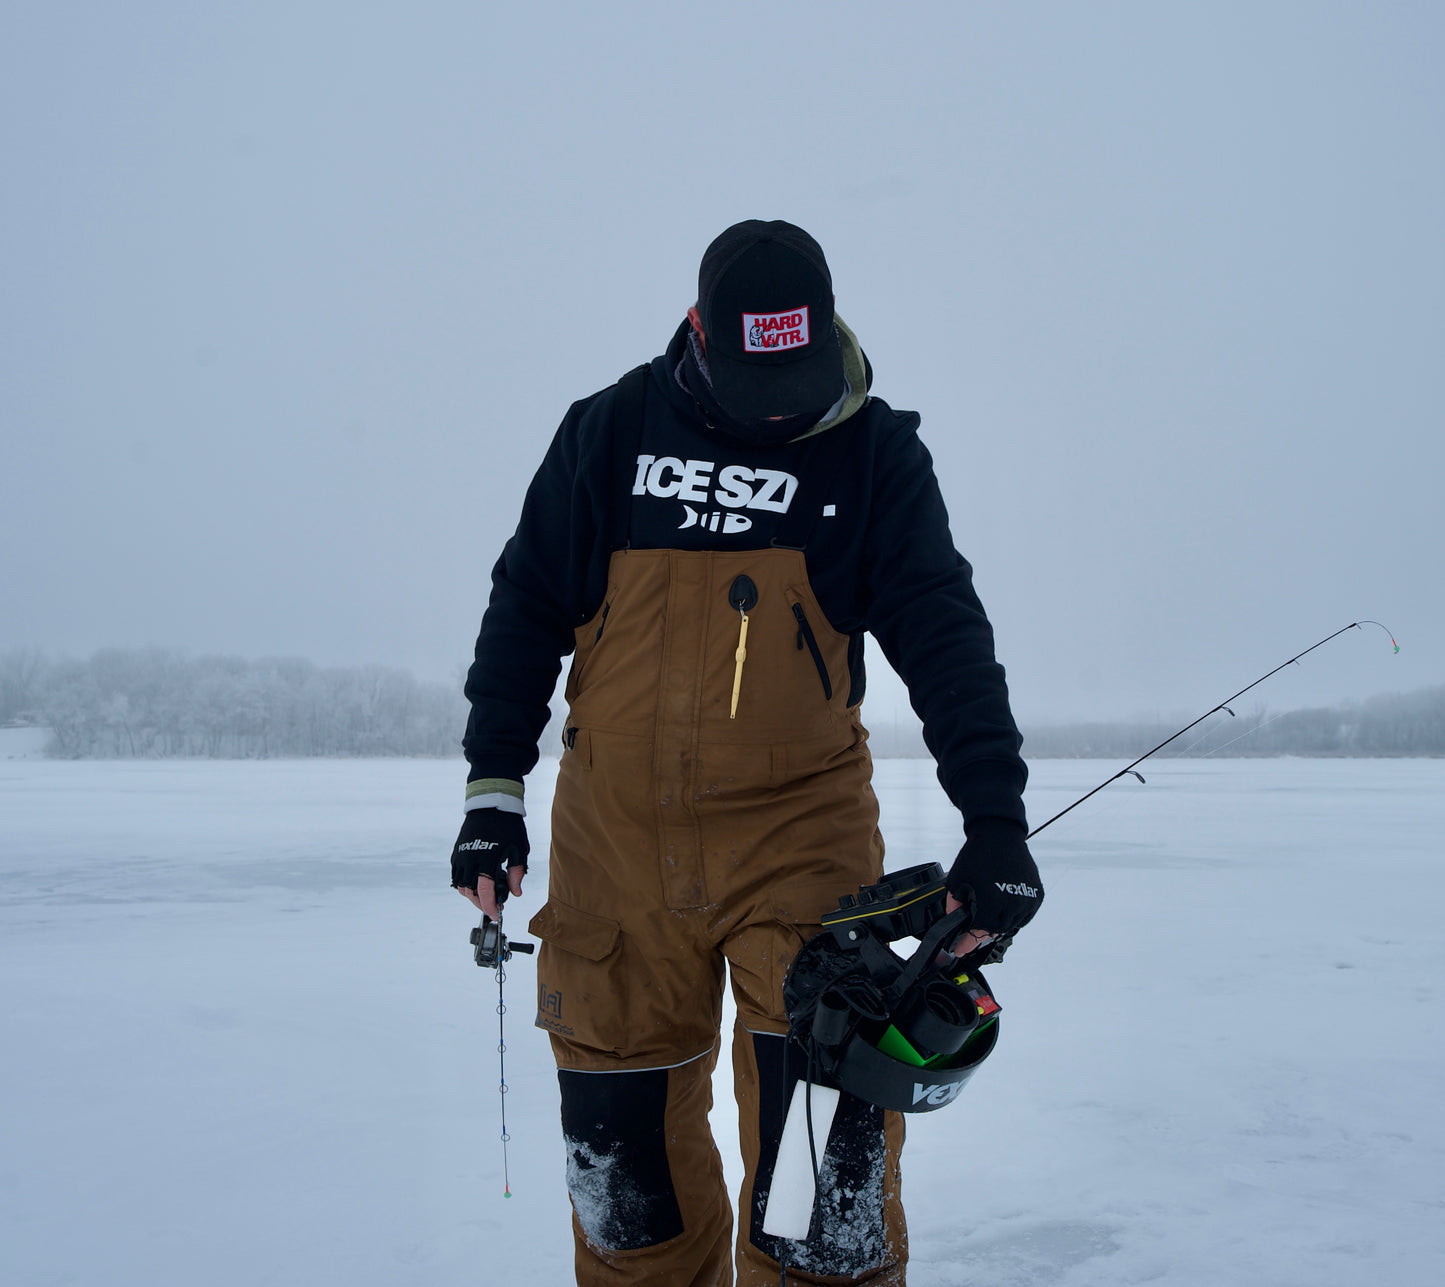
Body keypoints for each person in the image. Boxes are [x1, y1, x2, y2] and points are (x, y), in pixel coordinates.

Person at [451, 220, 1043, 1286]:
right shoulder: (607, 432)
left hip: (801, 849)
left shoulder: (872, 453)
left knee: (823, 1213)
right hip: (615, 851)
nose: (778, 403)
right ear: (697, 334)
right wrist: (493, 792)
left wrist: (993, 818)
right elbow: (525, 606)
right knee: (627, 1207)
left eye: (798, 374)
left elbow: (942, 632)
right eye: (753, 376)